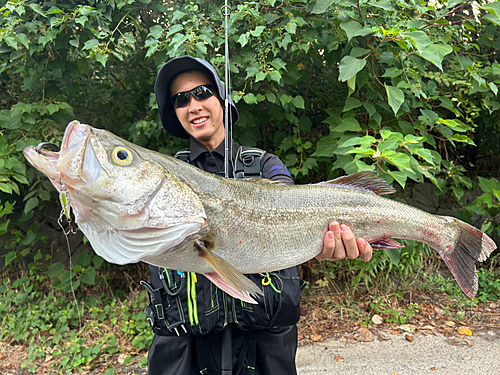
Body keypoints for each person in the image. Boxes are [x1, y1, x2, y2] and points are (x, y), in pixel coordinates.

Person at [142, 55, 373, 375]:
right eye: (181, 99)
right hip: (183, 350)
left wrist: (325, 241)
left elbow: (294, 212)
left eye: (202, 92)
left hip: (264, 346)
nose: (193, 105)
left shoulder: (266, 165)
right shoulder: (160, 178)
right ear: (174, 112)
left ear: (221, 99)